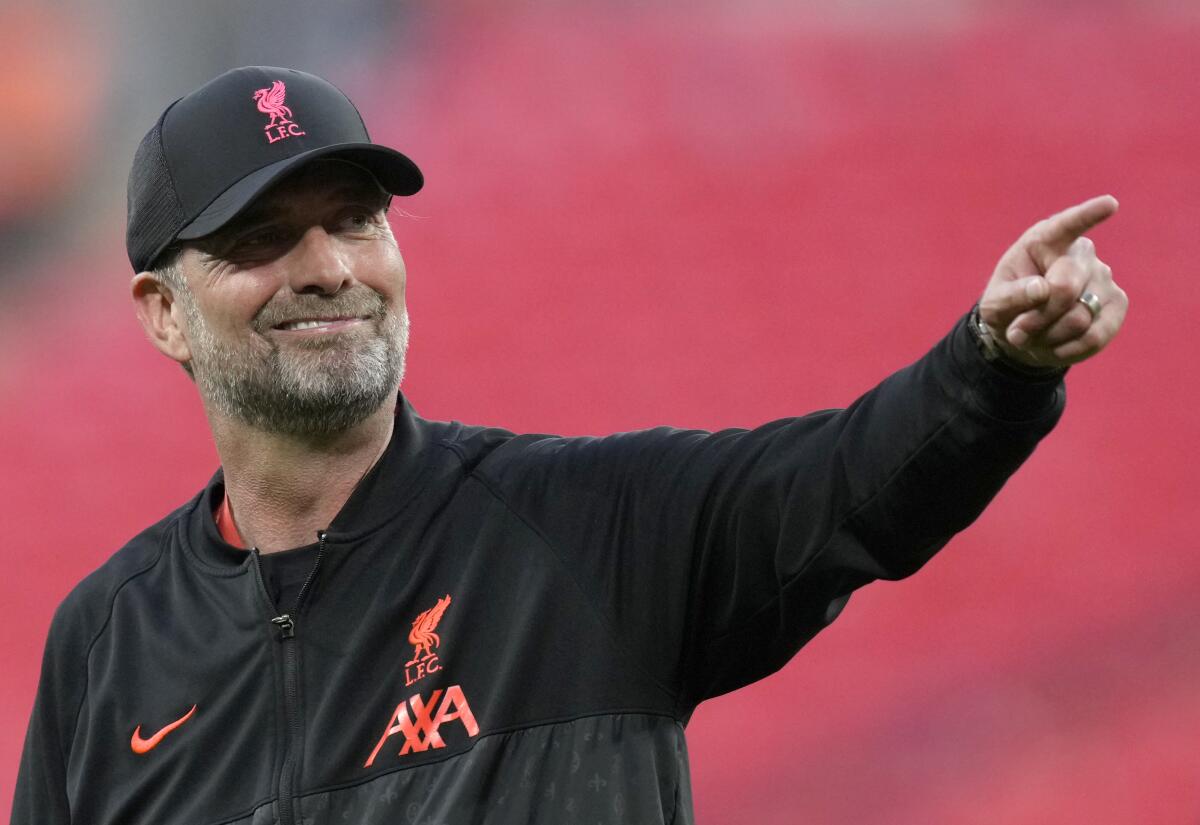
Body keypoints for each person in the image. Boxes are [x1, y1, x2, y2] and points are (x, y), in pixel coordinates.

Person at [11, 66, 1127, 825]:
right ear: (163, 311)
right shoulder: (108, 644)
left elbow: (849, 484)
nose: (329, 268)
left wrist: (998, 365)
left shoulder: (587, 529)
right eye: (264, 239)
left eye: (354, 221)